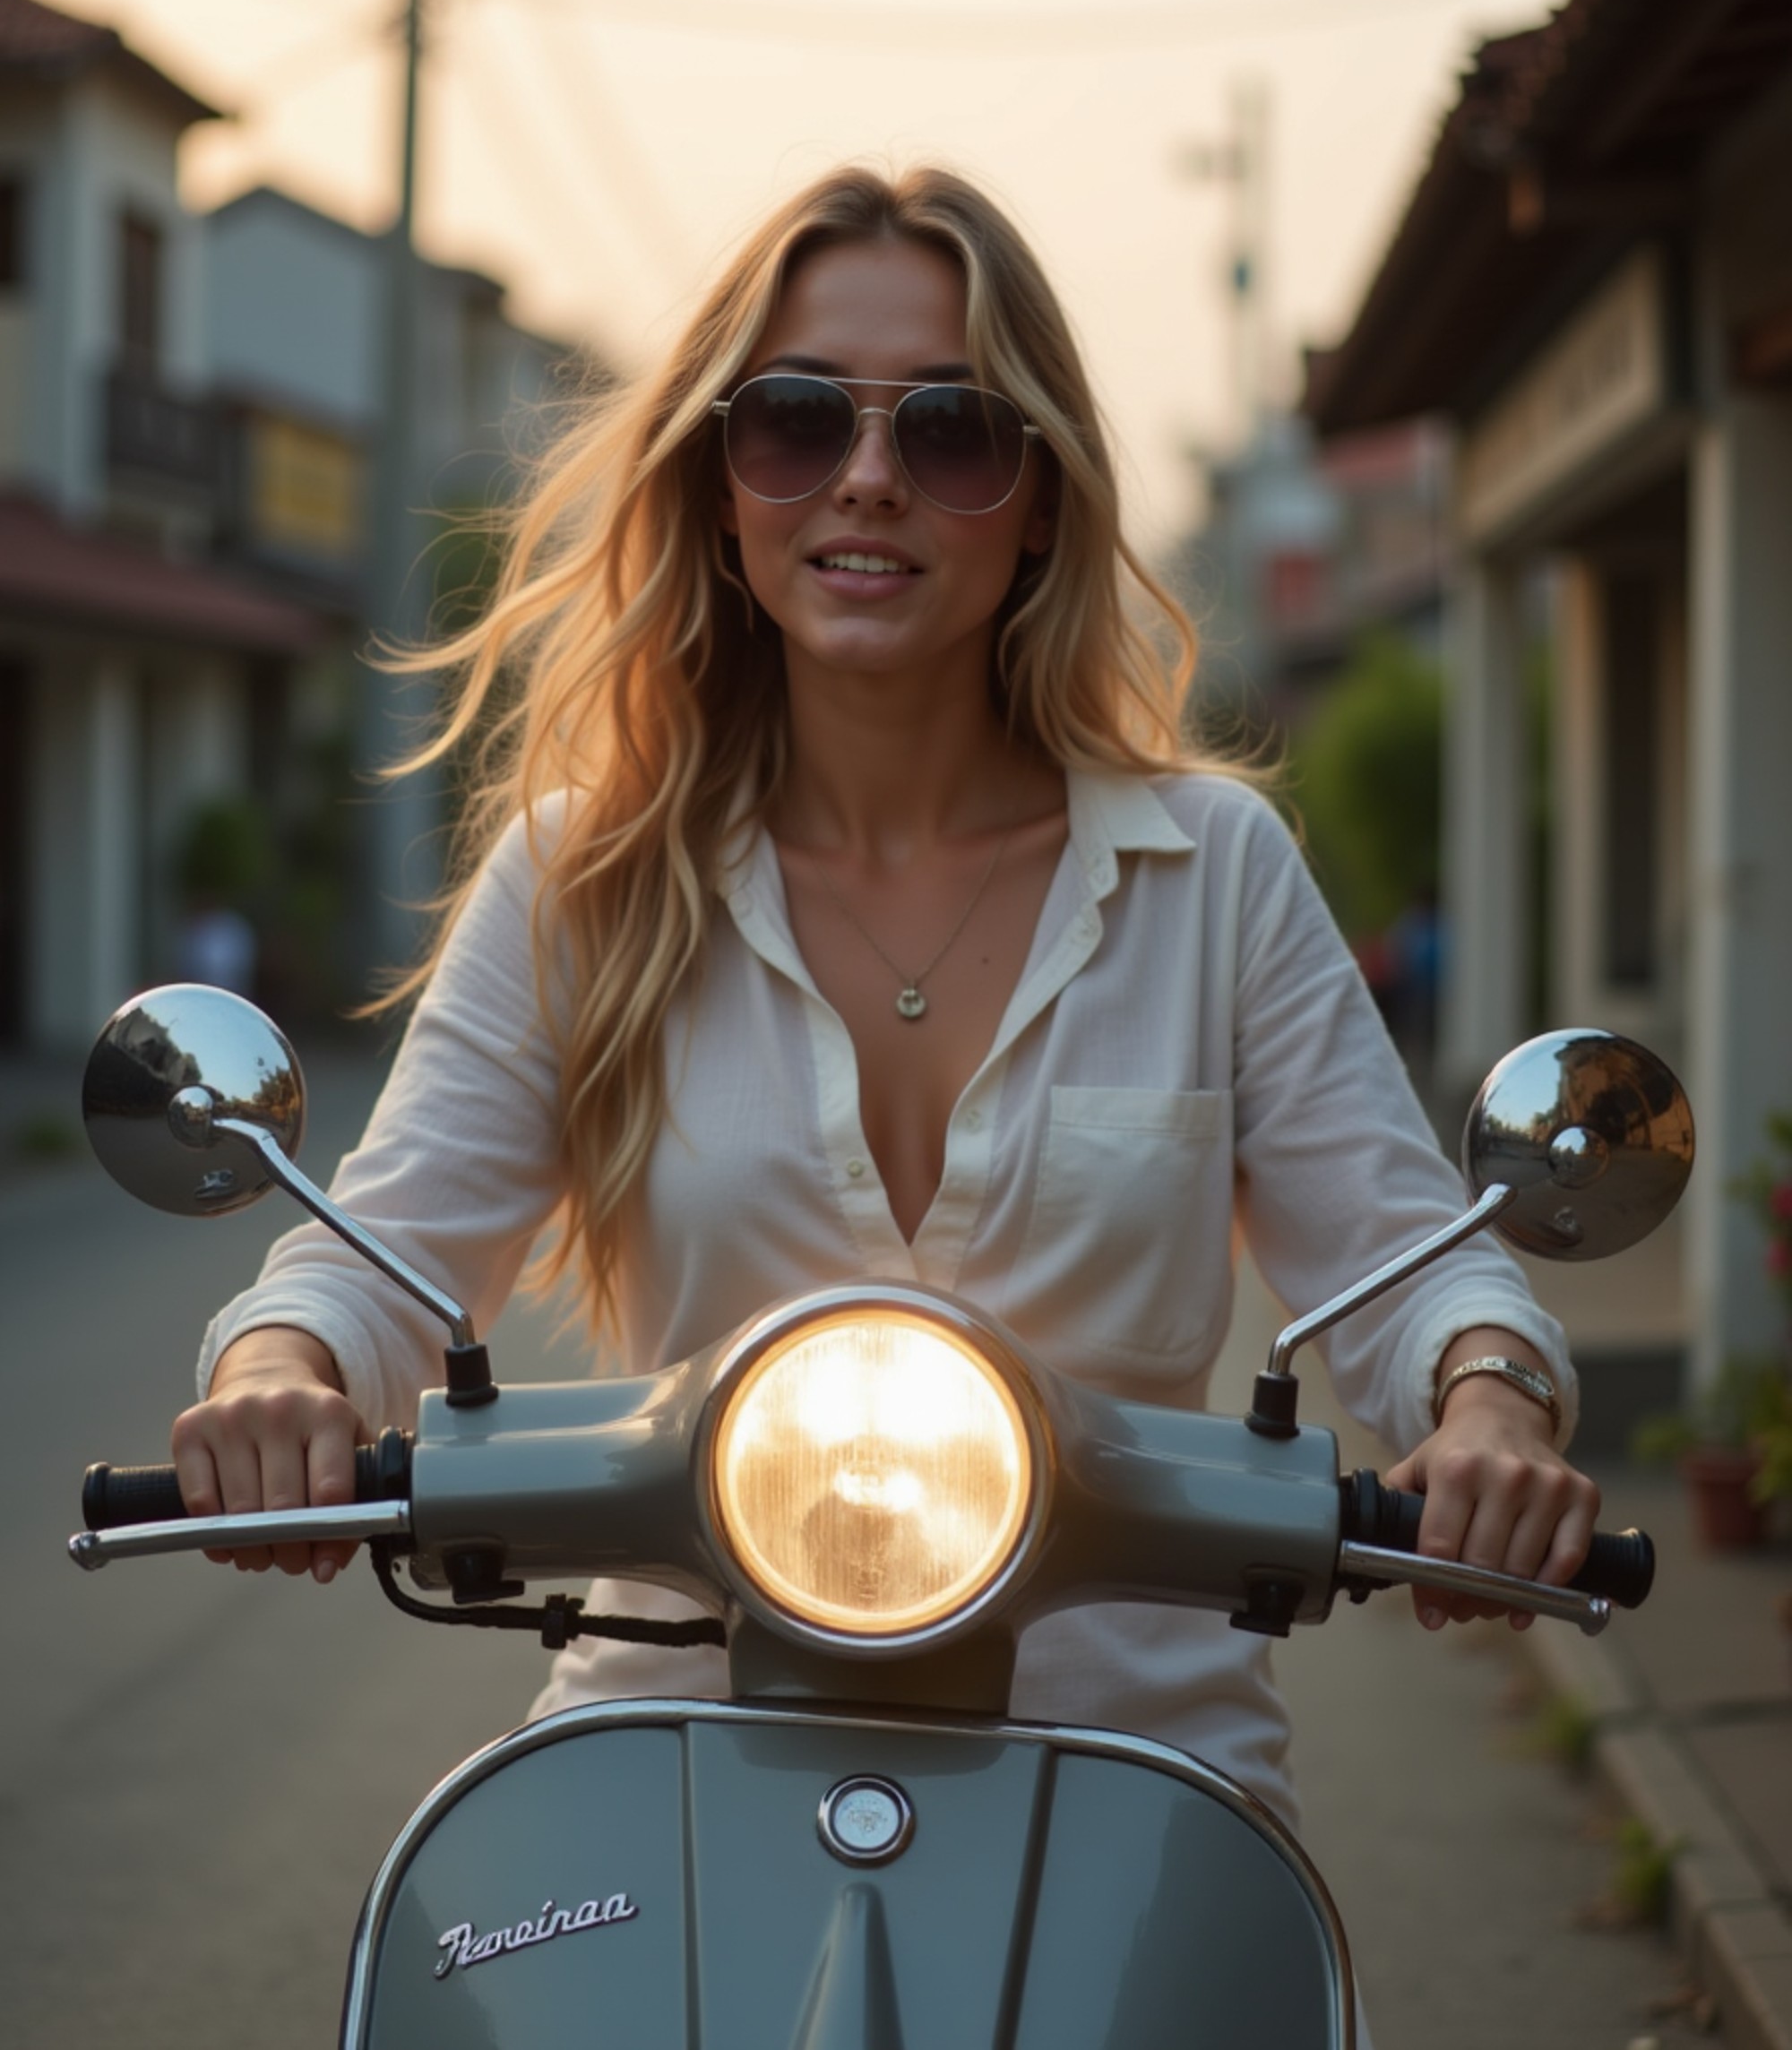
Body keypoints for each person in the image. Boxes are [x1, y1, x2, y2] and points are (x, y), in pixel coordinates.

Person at [177, 163, 1596, 1837]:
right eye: (792, 421)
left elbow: (1396, 1257)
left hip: (1137, 1793)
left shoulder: (1214, 871)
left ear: (1044, 497)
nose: (866, 479)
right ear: (720, 483)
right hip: (673, 1757)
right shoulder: (584, 875)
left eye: (952, 431)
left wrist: (1491, 1399)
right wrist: (284, 1370)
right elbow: (382, 1251)